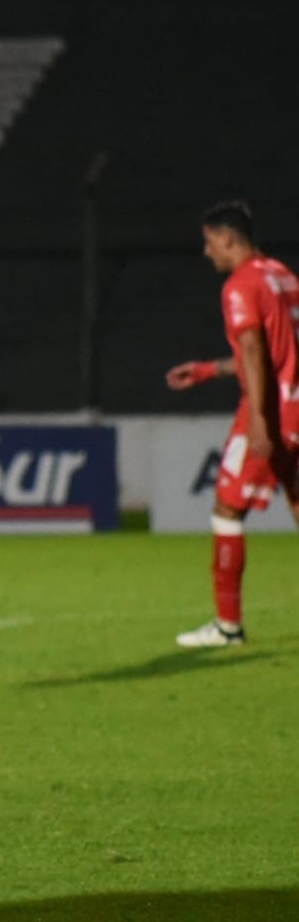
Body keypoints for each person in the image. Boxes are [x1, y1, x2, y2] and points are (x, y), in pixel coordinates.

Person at [166, 200, 299, 647]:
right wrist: (207, 370)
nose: (207, 252)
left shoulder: (239, 286)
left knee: (227, 508)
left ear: (227, 238)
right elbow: (280, 348)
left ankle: (227, 626)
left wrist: (260, 421)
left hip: (272, 411)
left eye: (209, 242)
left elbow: (256, 352)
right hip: (296, 403)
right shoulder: (281, 275)